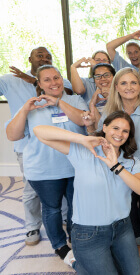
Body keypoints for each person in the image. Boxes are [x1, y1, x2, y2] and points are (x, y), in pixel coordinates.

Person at [33, 111, 140, 273]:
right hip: (89, 233)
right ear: (105, 128)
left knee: (133, 272)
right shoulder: (83, 151)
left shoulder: (131, 161)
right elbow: (39, 132)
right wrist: (83, 138)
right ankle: (77, 263)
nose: (119, 134)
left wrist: (116, 166)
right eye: (115, 128)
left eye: (125, 131)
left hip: (122, 228)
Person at [6, 65, 87, 262]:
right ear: (40, 84)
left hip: (76, 167)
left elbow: (84, 121)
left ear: (62, 79)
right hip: (43, 171)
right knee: (52, 209)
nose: (53, 83)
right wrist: (25, 109)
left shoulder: (74, 100)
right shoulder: (31, 105)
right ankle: (59, 245)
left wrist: (59, 103)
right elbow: (12, 135)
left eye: (56, 78)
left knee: (77, 208)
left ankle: (76, 241)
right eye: (47, 80)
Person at [90, 68, 140, 264]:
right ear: (116, 87)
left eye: (133, 83)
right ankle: (139, 241)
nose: (129, 87)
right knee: (129, 211)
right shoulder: (110, 109)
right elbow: (102, 137)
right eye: (123, 83)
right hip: (121, 169)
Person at [0, 47, 72, 246]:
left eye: (48, 56)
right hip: (28, 147)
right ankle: (32, 225)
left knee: (63, 188)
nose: (44, 58)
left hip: (61, 147)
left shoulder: (60, 82)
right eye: (40, 56)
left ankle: (65, 219)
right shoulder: (10, 80)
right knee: (32, 190)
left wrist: (35, 81)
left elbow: (71, 95)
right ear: (29, 58)